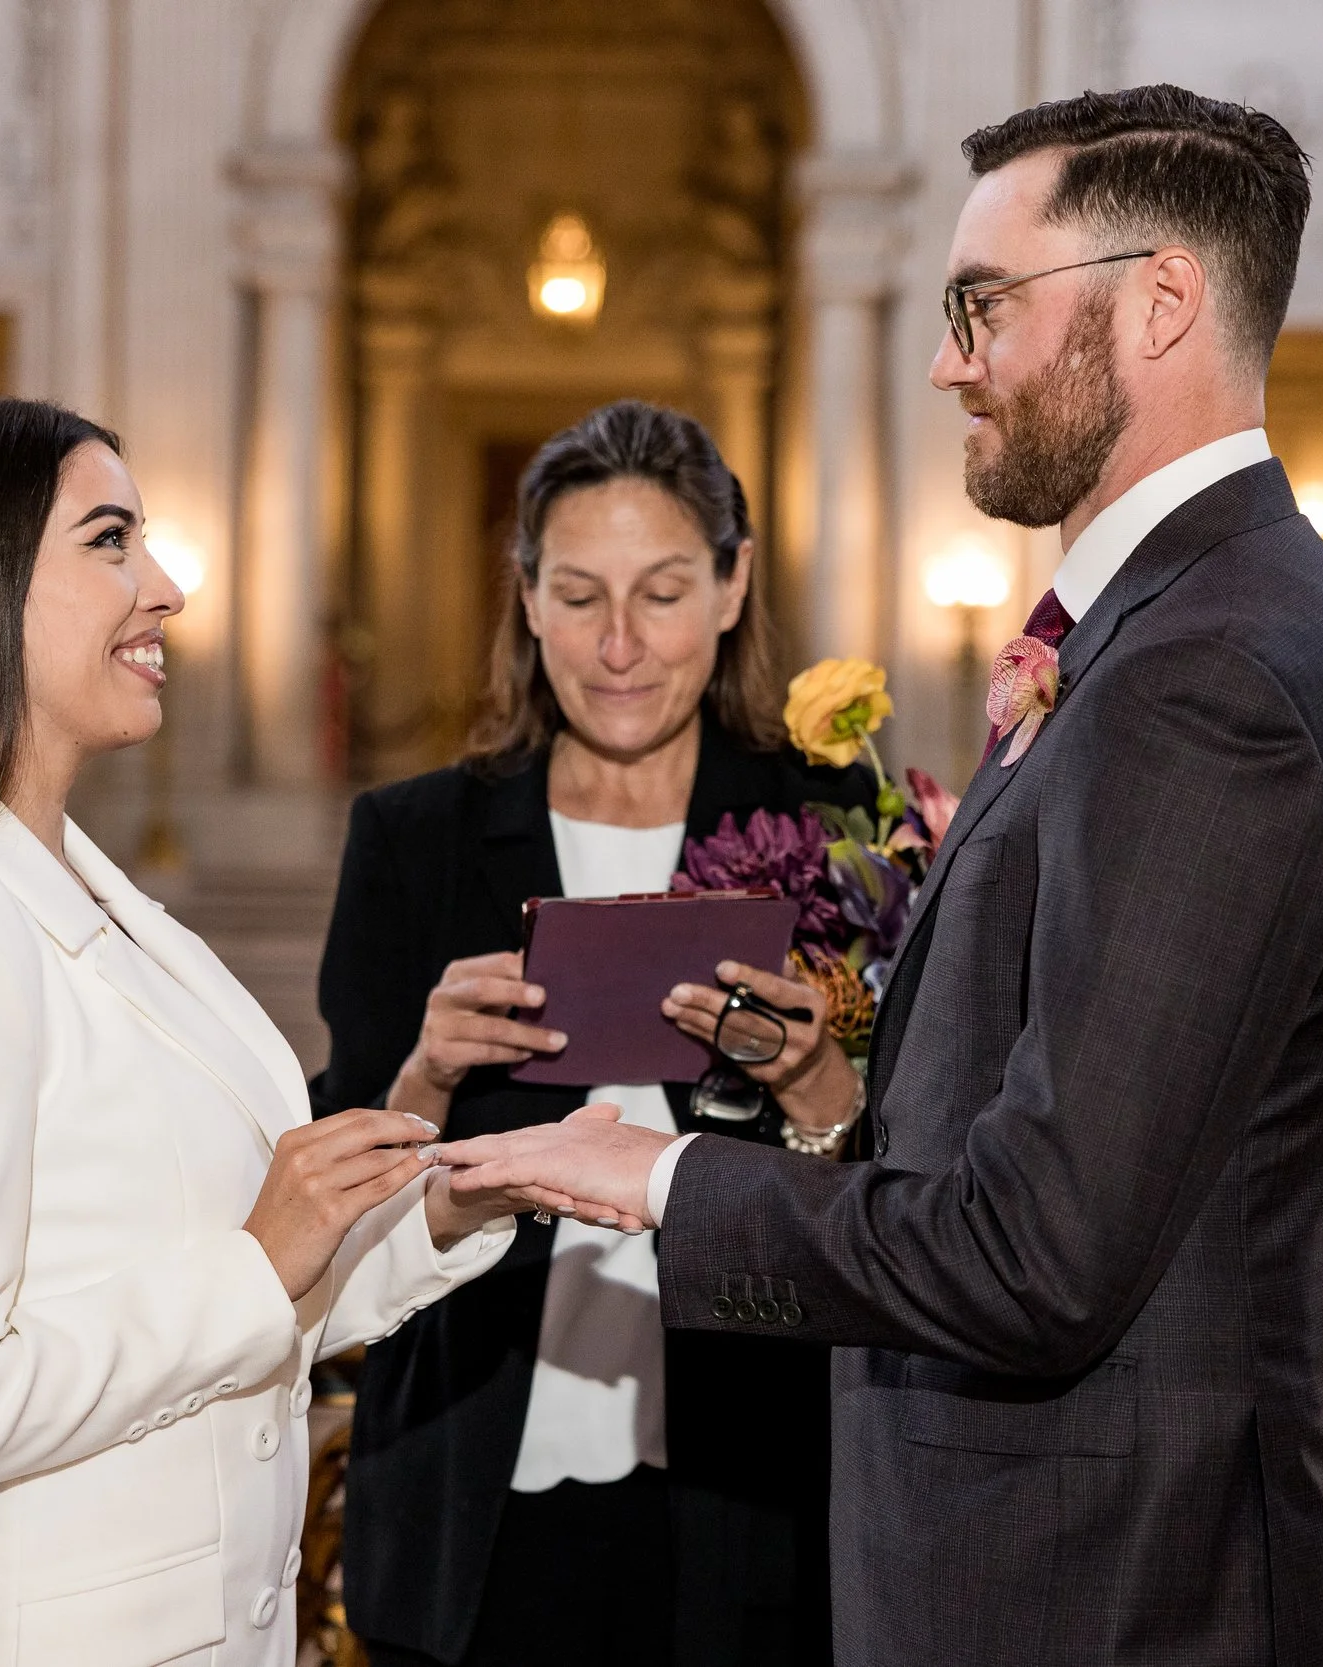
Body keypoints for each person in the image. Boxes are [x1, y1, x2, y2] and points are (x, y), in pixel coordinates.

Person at [433, 88, 1323, 1667]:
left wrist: (657, 1179)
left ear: (1159, 301)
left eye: (983, 304)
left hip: (1111, 1593)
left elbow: (1038, 1257)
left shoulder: (1207, 671)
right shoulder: (1219, 620)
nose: (951, 362)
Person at [0, 393, 522, 1667]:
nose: (165, 587)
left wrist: (460, 1200)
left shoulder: (92, 896)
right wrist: (256, 1263)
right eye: (110, 540)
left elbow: (249, 1295)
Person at [312, 400, 862, 1667]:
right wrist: (425, 1072)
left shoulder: (835, 825)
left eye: (660, 593)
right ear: (525, 597)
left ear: (731, 587)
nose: (619, 644)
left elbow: (913, 1193)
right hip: (472, 1498)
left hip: (758, 1499)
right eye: (577, 595)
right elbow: (333, 1210)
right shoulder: (415, 839)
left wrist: (821, 1086)